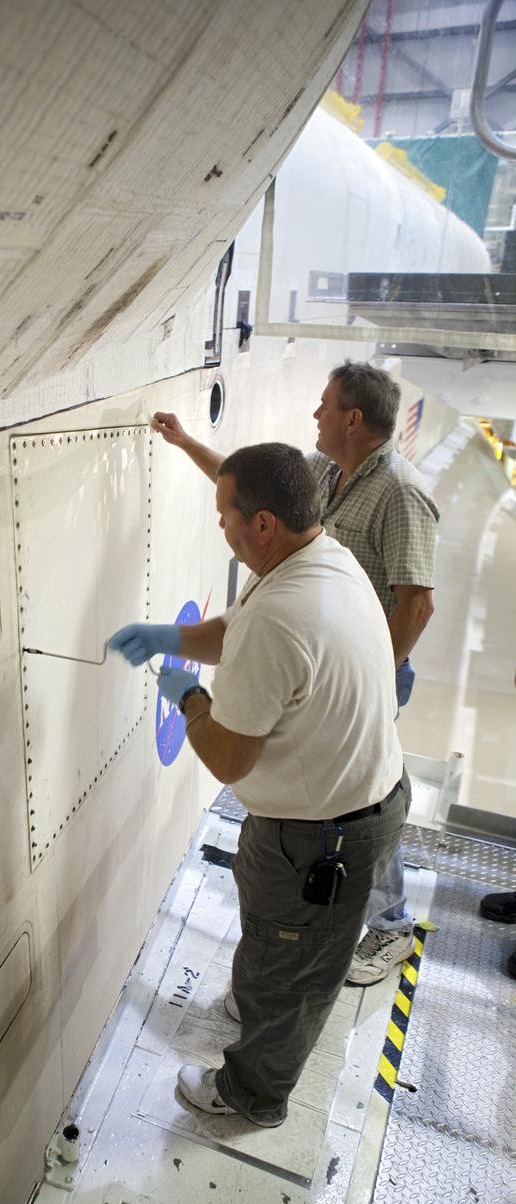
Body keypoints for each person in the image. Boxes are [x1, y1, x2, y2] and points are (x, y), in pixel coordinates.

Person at [109, 443, 410, 1127]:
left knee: (293, 976)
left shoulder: (282, 614)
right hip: (344, 807)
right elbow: (238, 632)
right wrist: (172, 637)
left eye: (225, 514)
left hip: (322, 839)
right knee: (279, 947)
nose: (220, 525)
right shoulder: (320, 562)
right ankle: (255, 1002)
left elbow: (227, 759)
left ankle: (250, 1097)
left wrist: (187, 698)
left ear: (264, 523)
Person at [151, 361, 438, 986]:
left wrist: (370, 682)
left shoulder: (400, 494)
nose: (316, 414)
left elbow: (416, 603)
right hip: (322, 662)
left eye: (325, 404)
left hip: (365, 669)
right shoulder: (326, 472)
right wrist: (186, 443)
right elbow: (255, 497)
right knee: (341, 787)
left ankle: (389, 925)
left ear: (353, 419)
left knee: (358, 792)